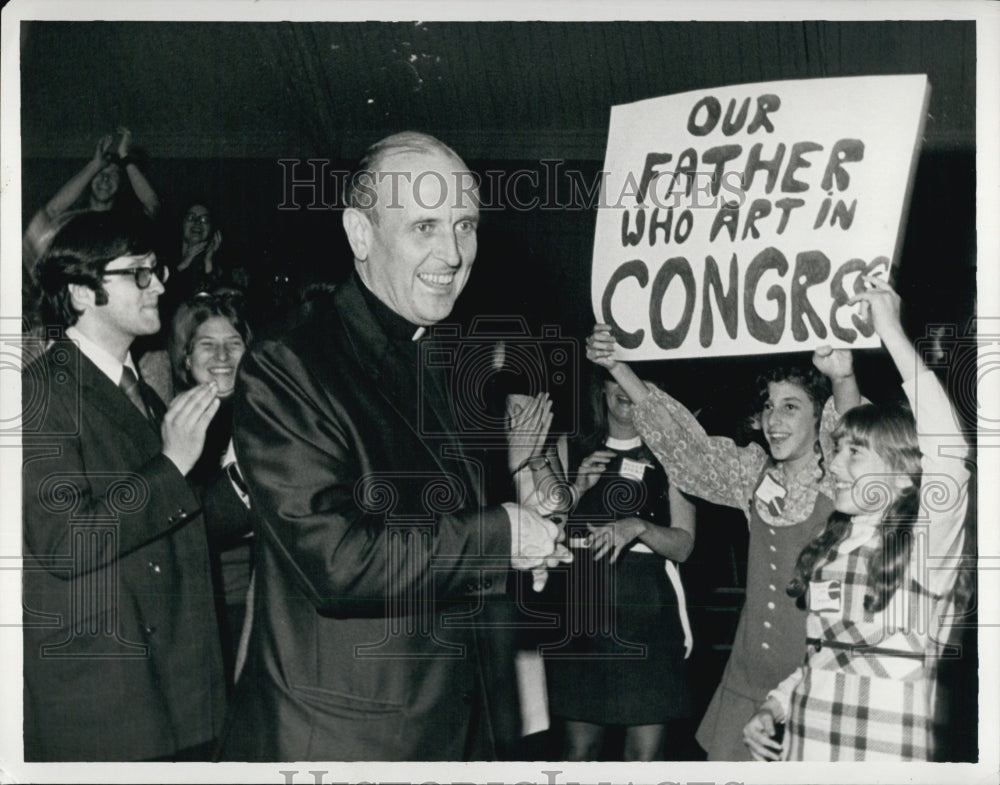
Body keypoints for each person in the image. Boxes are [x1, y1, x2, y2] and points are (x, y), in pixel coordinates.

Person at [218, 131, 569, 761]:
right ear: (360, 233)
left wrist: (515, 544)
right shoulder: (291, 363)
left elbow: (436, 531)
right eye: (425, 226)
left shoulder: (446, 355)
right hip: (345, 739)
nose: (453, 254)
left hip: (451, 725)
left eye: (465, 226)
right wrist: (498, 536)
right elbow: (336, 561)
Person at [585, 323, 861, 761]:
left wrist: (843, 377)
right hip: (748, 678)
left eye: (790, 407)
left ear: (819, 417)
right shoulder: (752, 473)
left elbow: (855, 434)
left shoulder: (840, 480)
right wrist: (618, 367)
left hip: (820, 677)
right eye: (769, 406)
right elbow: (683, 443)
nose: (773, 420)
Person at [21, 211, 225, 760]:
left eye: (157, 270)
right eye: (138, 272)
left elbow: (172, 523)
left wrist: (244, 480)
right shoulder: (38, 395)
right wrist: (172, 462)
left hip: (167, 686)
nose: (158, 285)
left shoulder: (140, 393)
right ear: (80, 292)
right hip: (107, 700)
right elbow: (65, 542)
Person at [742, 277, 971, 761]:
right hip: (806, 752)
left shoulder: (924, 546)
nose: (835, 465)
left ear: (905, 475)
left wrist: (891, 332)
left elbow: (950, 453)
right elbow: (824, 659)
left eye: (855, 454)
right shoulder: (833, 547)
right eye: (837, 450)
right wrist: (774, 706)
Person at [542, 369, 697, 761]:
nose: (625, 388)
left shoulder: (674, 455)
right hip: (584, 618)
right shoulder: (568, 446)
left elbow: (684, 546)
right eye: (616, 375)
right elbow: (544, 533)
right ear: (602, 386)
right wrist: (577, 489)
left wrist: (639, 526)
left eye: (642, 378)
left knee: (642, 762)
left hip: (648, 620)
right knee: (578, 753)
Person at [168, 291, 255, 686]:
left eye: (233, 343)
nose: (222, 355)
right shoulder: (169, 423)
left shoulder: (269, 414)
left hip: (256, 597)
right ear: (186, 358)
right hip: (198, 600)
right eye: (207, 344)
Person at [23, 129, 161, 271]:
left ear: (120, 183)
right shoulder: (71, 222)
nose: (105, 179)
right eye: (99, 173)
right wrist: (94, 165)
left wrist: (125, 157)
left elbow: (152, 205)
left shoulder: (124, 224)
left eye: (113, 174)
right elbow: (51, 211)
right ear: (88, 179)